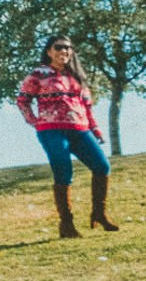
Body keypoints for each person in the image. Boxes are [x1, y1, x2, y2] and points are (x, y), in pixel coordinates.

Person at [14, 35, 117, 238]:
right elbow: (22, 100)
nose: (64, 51)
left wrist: (95, 129)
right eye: (59, 47)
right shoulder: (38, 74)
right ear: (49, 51)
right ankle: (67, 224)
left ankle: (99, 214)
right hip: (51, 129)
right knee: (62, 168)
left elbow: (87, 106)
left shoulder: (77, 77)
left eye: (68, 48)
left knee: (102, 166)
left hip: (80, 129)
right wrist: (33, 120)